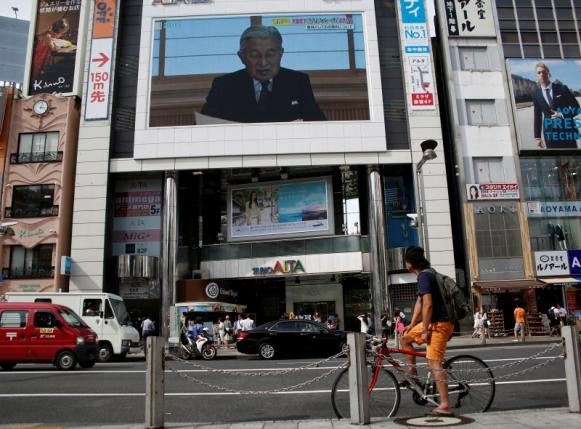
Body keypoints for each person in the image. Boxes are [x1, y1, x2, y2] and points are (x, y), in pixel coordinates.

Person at [200, 25, 326, 123]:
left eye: (271, 54)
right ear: (242, 57)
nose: (263, 62)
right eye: (255, 55)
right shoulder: (224, 86)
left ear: (281, 54)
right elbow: (200, 127)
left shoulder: (298, 82)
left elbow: (319, 125)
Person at [400, 246, 455, 416]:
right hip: (432, 323)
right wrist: (412, 324)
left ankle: (445, 405)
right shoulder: (426, 274)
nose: (405, 263)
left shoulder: (425, 276)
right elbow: (420, 303)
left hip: (440, 324)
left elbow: (428, 304)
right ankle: (414, 375)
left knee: (434, 362)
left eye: (406, 260)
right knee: (405, 339)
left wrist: (424, 329)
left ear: (410, 263)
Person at [531, 63, 580, 149]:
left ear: (548, 73)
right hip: (550, 134)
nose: (542, 74)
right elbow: (537, 116)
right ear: (536, 75)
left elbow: (577, 108)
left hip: (566, 131)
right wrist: (537, 137)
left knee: (572, 160)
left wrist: (562, 115)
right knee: (556, 160)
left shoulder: (562, 88)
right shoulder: (536, 94)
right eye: (539, 73)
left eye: (544, 72)